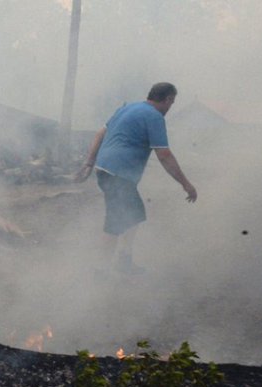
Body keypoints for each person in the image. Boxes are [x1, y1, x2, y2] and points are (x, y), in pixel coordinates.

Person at [75, 82, 197, 275]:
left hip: (106, 170)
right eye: (172, 103)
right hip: (118, 174)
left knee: (134, 214)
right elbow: (164, 155)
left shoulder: (127, 108)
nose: (170, 108)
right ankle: (100, 271)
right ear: (168, 99)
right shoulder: (154, 116)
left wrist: (90, 162)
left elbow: (100, 133)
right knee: (115, 222)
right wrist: (186, 184)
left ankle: (124, 260)